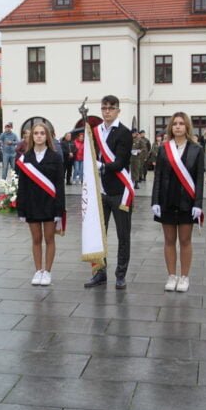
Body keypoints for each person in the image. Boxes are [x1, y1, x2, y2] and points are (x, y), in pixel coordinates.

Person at [151, 112, 204, 292]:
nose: (178, 126)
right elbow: (158, 176)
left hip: (187, 201)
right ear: (171, 127)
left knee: (185, 240)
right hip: (167, 199)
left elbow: (199, 179)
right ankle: (172, 275)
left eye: (181, 123)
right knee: (169, 240)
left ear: (187, 126)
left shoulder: (197, 149)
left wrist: (198, 203)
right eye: (175, 124)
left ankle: (184, 277)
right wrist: (155, 200)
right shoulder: (164, 148)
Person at [85, 95, 133, 290]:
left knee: (123, 235)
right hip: (100, 191)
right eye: (104, 108)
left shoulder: (124, 133)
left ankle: (120, 274)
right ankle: (99, 273)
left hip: (119, 191)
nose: (107, 111)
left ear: (118, 111)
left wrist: (101, 166)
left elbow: (120, 162)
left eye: (111, 108)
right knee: (97, 235)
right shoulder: (95, 132)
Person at [16, 122, 65, 286]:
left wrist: (60, 209)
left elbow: (59, 185)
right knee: (36, 239)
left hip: (50, 204)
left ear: (47, 136)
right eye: (36, 133)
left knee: (49, 238)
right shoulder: (25, 157)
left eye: (42, 133)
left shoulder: (55, 157)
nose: (38, 136)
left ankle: (48, 272)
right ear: (32, 136)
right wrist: (20, 209)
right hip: (31, 203)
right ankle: (38, 271)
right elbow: (21, 185)